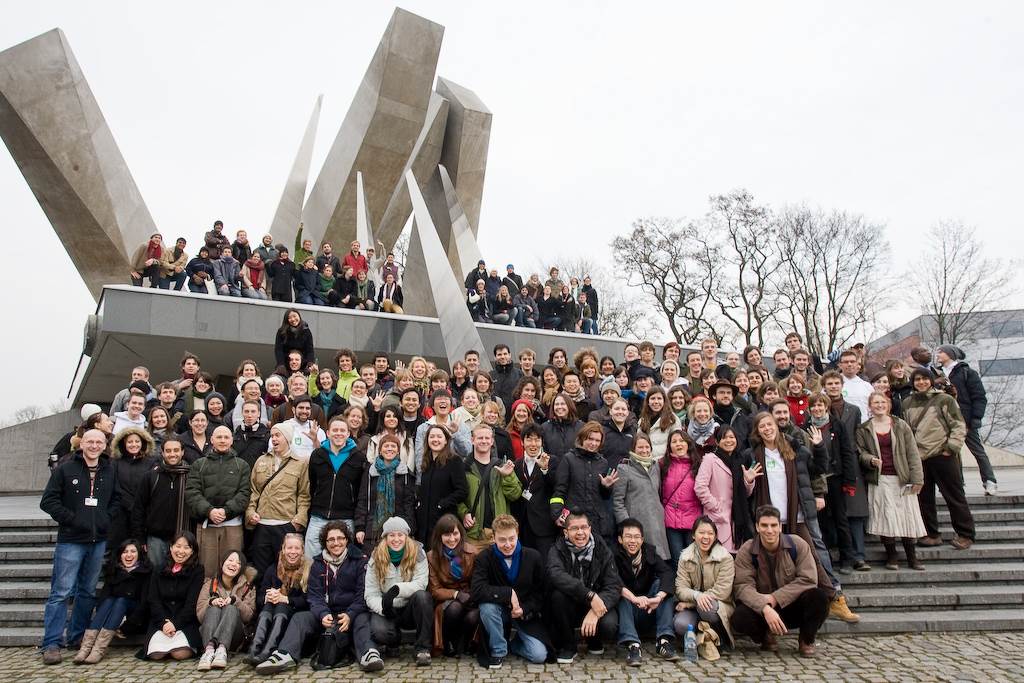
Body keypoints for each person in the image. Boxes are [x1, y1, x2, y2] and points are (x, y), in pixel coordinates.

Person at [39, 429, 119, 664]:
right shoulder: (65, 468)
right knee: (61, 592)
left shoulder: (109, 469)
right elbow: (48, 501)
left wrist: (106, 517)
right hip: (71, 540)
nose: (94, 446)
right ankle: (52, 643)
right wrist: (72, 518)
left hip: (98, 540)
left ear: (105, 445)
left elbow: (117, 499)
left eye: (99, 442)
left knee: (86, 591)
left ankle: (77, 637)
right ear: (81, 443)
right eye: (90, 441)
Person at [270, 522, 382, 672]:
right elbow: (314, 596)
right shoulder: (317, 564)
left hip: (351, 613)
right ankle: (284, 654)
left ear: (347, 540)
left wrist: (350, 614)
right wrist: (323, 614)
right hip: (326, 615)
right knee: (300, 618)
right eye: (331, 539)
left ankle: (369, 654)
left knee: (363, 619)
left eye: (340, 538)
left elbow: (362, 594)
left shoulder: (360, 561)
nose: (336, 543)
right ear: (325, 542)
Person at [731, 505, 829, 657]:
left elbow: (808, 580)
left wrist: (775, 598)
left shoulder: (797, 544)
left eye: (773, 525)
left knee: (819, 597)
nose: (769, 530)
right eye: (764, 525)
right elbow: (742, 586)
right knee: (739, 617)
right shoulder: (747, 550)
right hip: (762, 608)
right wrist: (765, 607)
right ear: (757, 527)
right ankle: (765, 636)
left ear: (780, 526)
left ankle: (806, 639)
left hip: (792, 606)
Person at [902, 370, 975, 550]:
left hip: (942, 454)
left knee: (954, 496)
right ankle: (931, 533)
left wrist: (951, 448)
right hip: (919, 457)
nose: (921, 382)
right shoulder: (907, 403)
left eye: (925, 378)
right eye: (917, 379)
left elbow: (958, 425)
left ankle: (965, 534)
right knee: (924, 498)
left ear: (931, 380)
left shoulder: (944, 400)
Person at [857, 391, 926, 570]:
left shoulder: (900, 425)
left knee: (907, 517)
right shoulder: (864, 428)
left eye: (882, 402)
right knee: (885, 517)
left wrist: (918, 478)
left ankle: (912, 557)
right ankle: (892, 556)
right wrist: (870, 459)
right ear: (870, 406)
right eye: (875, 403)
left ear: (888, 405)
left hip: (901, 477)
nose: (879, 405)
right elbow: (860, 452)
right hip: (880, 478)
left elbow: (912, 453)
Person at [546, 510, 622, 664]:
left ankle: (593, 639)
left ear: (590, 529)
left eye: (584, 527)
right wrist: (589, 595)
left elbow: (614, 585)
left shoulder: (602, 549)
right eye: (575, 528)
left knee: (609, 625)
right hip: (572, 603)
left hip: (596, 603)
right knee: (557, 597)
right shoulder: (556, 549)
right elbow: (555, 575)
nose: (580, 532)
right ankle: (569, 646)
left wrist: (595, 611)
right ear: (566, 532)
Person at [364, 517, 434, 666]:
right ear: (385, 537)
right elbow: (370, 594)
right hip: (388, 609)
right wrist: (384, 608)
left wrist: (397, 589)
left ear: (406, 536)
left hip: (409, 608)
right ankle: (393, 642)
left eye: (400, 535)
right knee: (378, 630)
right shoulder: (376, 557)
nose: (396, 539)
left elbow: (421, 583)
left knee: (424, 597)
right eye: (392, 535)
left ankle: (422, 648)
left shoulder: (418, 553)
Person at [184, 425, 251, 577]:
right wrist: (210, 511)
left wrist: (226, 511)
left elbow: (244, 493)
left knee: (232, 571)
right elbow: (192, 492)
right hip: (207, 525)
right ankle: (207, 600)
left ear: (232, 440)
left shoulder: (242, 465)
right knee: (207, 571)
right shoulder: (199, 464)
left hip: (232, 525)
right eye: (219, 437)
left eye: (226, 437)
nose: (222, 440)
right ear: (211, 439)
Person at [247, 423, 311, 579]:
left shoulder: (300, 463)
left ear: (287, 438)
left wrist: (298, 521)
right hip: (261, 525)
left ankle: (285, 602)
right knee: (260, 572)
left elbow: (304, 495)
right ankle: (262, 601)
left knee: (286, 571)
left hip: (285, 525)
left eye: (278, 435)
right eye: (272, 435)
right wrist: (250, 512)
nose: (274, 438)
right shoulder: (261, 460)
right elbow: (254, 491)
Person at [73, 538, 151, 665]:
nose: (129, 555)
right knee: (109, 600)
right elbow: (103, 598)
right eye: (125, 552)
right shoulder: (114, 571)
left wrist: (127, 626)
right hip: (112, 615)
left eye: (133, 551)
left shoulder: (146, 572)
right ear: (120, 555)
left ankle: (98, 650)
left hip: (134, 620)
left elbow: (144, 604)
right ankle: (85, 649)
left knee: (121, 600)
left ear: (139, 554)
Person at [613, 518, 678, 666]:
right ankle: (633, 646)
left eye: (637, 537)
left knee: (662, 586)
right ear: (620, 539)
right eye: (628, 536)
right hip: (626, 612)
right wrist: (634, 598)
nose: (633, 541)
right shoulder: (613, 555)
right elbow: (612, 580)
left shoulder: (649, 553)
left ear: (642, 539)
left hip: (648, 610)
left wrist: (658, 598)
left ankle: (663, 641)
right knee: (621, 592)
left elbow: (667, 574)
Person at [936, 345, 996, 493]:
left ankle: (989, 480)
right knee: (952, 452)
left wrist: (976, 417)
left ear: (950, 354)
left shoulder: (966, 372)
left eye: (941, 352)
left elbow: (979, 396)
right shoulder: (937, 373)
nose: (938, 354)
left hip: (964, 419)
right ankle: (958, 483)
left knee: (977, 450)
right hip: (943, 419)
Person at [672, 516, 735, 657]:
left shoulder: (725, 558)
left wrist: (691, 604)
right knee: (681, 624)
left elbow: (723, 591)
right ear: (694, 535)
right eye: (701, 533)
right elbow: (680, 588)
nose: (706, 537)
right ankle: (700, 638)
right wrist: (697, 596)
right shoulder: (685, 556)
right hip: (696, 603)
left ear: (715, 536)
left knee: (705, 606)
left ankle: (720, 638)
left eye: (710, 533)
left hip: (718, 606)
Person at [250, 533, 313, 670]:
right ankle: (255, 649)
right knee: (268, 604)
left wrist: (286, 599)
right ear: (283, 549)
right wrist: (267, 597)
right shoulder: (273, 569)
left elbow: (309, 600)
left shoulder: (309, 569)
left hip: (295, 620)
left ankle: (268, 651)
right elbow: (259, 598)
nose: (293, 552)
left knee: (281, 606)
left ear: (302, 550)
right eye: (289, 548)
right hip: (271, 614)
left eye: (297, 548)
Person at [694, 426, 758, 555]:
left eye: (731, 437)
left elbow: (745, 494)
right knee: (717, 557)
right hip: (717, 517)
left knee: (735, 559)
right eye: (724, 438)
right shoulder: (710, 459)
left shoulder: (739, 461)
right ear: (717, 441)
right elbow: (700, 487)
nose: (729, 440)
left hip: (737, 519)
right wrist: (716, 506)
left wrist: (749, 481)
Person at [306, 417, 364, 558]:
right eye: (335, 430)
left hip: (346, 517)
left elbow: (360, 490)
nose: (338, 433)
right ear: (328, 433)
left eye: (342, 430)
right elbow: (312, 484)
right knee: (310, 558)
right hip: (319, 516)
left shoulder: (358, 457)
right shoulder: (317, 455)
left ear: (348, 433)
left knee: (345, 560)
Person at [550, 422, 618, 542]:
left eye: (597, 440)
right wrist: (556, 514)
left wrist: (606, 487)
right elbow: (559, 491)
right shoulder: (568, 459)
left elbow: (605, 497)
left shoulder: (603, 463)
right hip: (575, 521)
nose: (593, 443)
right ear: (582, 438)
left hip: (596, 523)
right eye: (590, 439)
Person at [142, 531, 205, 661]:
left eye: (186, 547)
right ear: (171, 547)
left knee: (179, 654)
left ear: (192, 551)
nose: (181, 551)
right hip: (161, 621)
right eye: (178, 546)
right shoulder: (159, 569)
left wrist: (175, 624)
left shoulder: (197, 571)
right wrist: (163, 623)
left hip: (184, 621)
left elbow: (191, 604)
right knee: (156, 655)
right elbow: (153, 600)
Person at [132, 438, 191, 569]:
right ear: (163, 453)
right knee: (154, 574)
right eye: (168, 451)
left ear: (182, 452)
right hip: (156, 538)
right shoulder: (151, 476)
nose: (172, 454)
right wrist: (140, 538)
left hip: (182, 539)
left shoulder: (191, 476)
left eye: (176, 450)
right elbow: (139, 508)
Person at [459, 424, 522, 546]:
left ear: (492, 441)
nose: (484, 441)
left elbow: (515, 495)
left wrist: (507, 476)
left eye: (487, 438)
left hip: (500, 534)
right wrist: (464, 513)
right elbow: (457, 498)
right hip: (474, 533)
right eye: (480, 438)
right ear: (472, 440)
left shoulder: (502, 466)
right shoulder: (464, 467)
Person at [426, 515, 479, 656]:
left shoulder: (472, 553)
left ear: (461, 533)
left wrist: (471, 596)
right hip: (446, 600)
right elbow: (434, 590)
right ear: (439, 536)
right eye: (447, 535)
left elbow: (478, 581)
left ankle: (467, 643)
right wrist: (455, 594)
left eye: (455, 533)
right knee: (455, 608)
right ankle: (447, 640)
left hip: (470, 597)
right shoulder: (431, 557)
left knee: (474, 616)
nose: (452, 539)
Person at [195, 549, 257, 671]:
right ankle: (209, 651)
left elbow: (249, 616)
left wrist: (236, 601)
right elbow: (199, 615)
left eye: (238, 563)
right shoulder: (209, 584)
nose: (233, 564)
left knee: (231, 608)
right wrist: (211, 602)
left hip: (234, 636)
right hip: (209, 631)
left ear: (241, 568)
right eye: (230, 560)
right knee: (214, 608)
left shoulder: (247, 587)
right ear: (222, 563)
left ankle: (222, 650)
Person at [612, 434, 670, 562]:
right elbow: (617, 501)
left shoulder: (655, 467)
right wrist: (627, 525)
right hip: (637, 525)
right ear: (633, 449)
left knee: (661, 562)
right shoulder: (624, 468)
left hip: (657, 523)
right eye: (640, 447)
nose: (644, 450)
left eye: (647, 447)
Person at [354, 433, 416, 550]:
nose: (389, 449)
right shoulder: (370, 472)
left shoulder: (405, 473)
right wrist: (360, 527)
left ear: (398, 451)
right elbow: (363, 501)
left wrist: (409, 528)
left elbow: (409, 504)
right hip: (372, 529)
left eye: (393, 446)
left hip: (398, 530)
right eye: (386, 446)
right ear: (380, 450)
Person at [415, 425, 469, 544]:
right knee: (428, 558)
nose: (435, 440)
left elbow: (462, 491)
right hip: (424, 523)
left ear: (446, 441)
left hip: (444, 520)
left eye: (439, 436)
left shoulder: (454, 461)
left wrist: (442, 504)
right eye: (432, 436)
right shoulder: (426, 462)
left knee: (447, 556)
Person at [274, 309, 315, 374]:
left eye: (294, 316)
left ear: (299, 316)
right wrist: (281, 365)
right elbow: (279, 350)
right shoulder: (281, 331)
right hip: (286, 365)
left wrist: (310, 363)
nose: (293, 319)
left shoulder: (306, 331)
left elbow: (310, 350)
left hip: (303, 365)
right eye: (289, 318)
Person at [838, 350, 873, 418]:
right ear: (840, 365)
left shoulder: (867, 386)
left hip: (864, 426)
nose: (849, 364)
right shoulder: (831, 385)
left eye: (852, 361)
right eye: (846, 362)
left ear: (857, 364)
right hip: (841, 427)